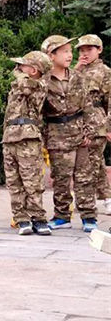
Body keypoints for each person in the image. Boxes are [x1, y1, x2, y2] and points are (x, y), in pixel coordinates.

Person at [40, 35, 96, 232]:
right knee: (61, 178)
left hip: (79, 133)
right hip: (56, 135)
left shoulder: (77, 77)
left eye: (70, 51)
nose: (70, 55)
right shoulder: (43, 82)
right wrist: (42, 137)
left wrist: (89, 131)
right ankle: (62, 216)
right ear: (51, 55)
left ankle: (89, 216)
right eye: (64, 51)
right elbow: (37, 112)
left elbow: (88, 106)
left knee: (84, 177)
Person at [2, 51, 51, 236]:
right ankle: (21, 218)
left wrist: (20, 75)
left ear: (33, 70)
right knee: (13, 182)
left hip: (28, 139)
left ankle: (38, 218)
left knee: (32, 181)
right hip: (10, 137)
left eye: (22, 66)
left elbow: (26, 86)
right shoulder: (18, 86)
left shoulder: (39, 85)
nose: (18, 68)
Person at [74, 34, 111, 217]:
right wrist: (76, 69)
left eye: (89, 49)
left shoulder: (105, 71)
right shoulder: (76, 71)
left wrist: (109, 127)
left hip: (96, 123)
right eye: (82, 50)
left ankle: (86, 204)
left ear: (99, 50)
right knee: (96, 162)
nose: (85, 53)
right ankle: (107, 199)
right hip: (77, 123)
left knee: (91, 165)